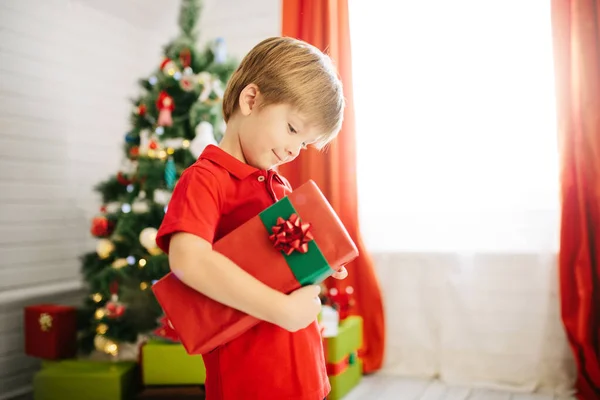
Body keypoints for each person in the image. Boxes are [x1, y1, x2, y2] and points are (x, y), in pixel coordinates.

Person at [155, 36, 347, 400]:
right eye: (292, 129)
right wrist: (283, 310)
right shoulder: (206, 178)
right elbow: (188, 259)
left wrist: (322, 260)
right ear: (251, 99)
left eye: (304, 144)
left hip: (304, 377)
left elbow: (279, 258)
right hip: (250, 383)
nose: (293, 150)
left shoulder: (280, 185)